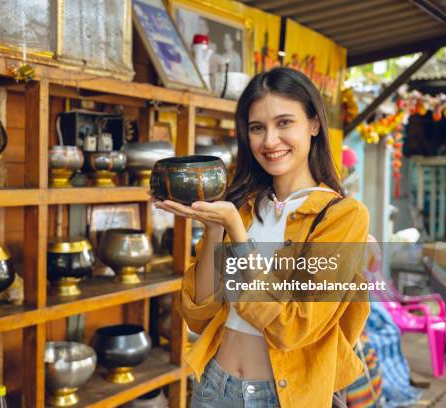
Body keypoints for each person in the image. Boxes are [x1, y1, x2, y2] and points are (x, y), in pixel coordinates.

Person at [151, 67, 370, 407]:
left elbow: (293, 329)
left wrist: (238, 235)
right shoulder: (242, 207)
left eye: (284, 123)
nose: (269, 141)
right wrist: (214, 228)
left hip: (281, 397)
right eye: (257, 128)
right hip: (213, 386)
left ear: (313, 124)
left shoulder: (343, 216)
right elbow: (198, 316)